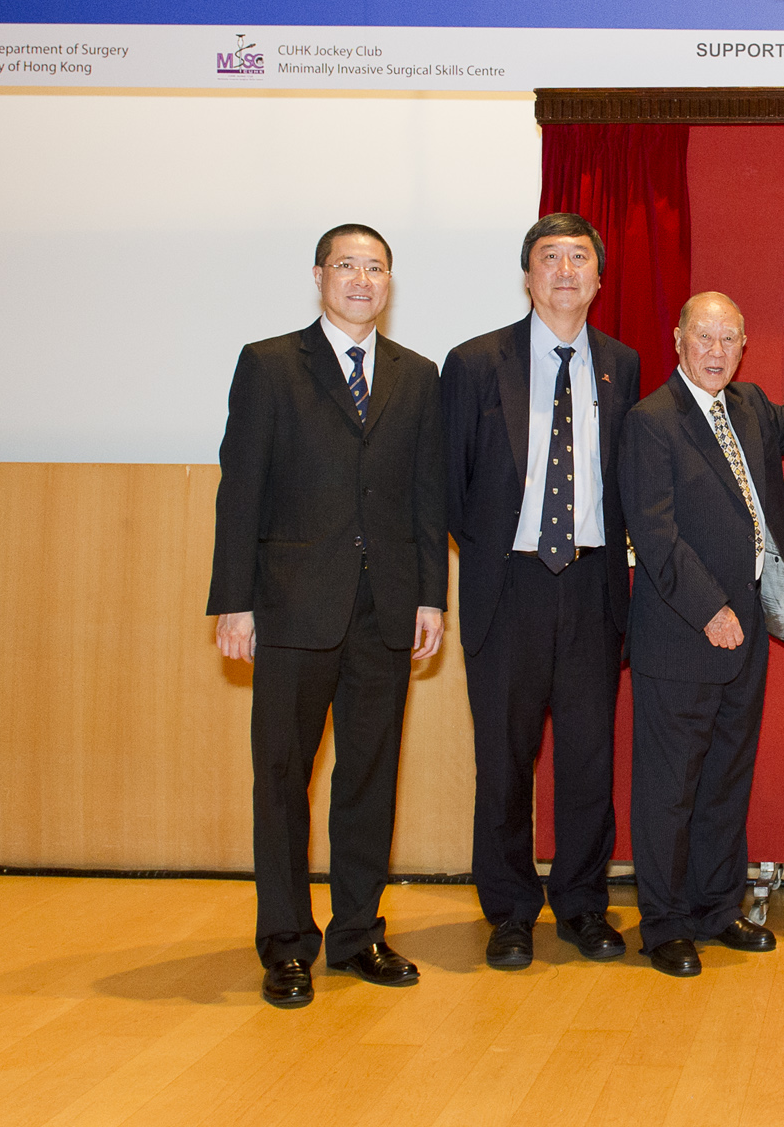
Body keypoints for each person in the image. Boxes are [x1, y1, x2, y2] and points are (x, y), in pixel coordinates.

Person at [208, 223, 447, 1009]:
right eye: (347, 265)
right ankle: (285, 943)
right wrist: (233, 602)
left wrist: (430, 597)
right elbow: (240, 488)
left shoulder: (417, 376)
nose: (362, 279)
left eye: (376, 268)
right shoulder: (270, 364)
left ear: (390, 282)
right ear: (318, 276)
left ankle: (356, 935)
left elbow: (425, 496)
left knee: (369, 781)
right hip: (289, 610)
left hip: (384, 613)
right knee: (282, 781)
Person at [442, 213, 640, 970]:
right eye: (549, 258)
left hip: (592, 584)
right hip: (509, 584)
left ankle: (584, 905)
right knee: (505, 760)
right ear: (527, 277)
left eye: (579, 258)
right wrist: (500, 552)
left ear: (598, 277)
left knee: (589, 760)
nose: (565, 270)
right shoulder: (473, 363)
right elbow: (451, 489)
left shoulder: (622, 362)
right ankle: (510, 911)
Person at [619, 292, 784, 977]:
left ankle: (717, 908)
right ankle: (664, 924)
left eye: (728, 339)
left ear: (744, 345)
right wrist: (710, 607)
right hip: (684, 633)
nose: (715, 351)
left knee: (724, 780)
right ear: (678, 338)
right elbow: (654, 534)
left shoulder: (751, 408)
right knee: (669, 788)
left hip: (748, 635)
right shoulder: (651, 421)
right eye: (703, 337)